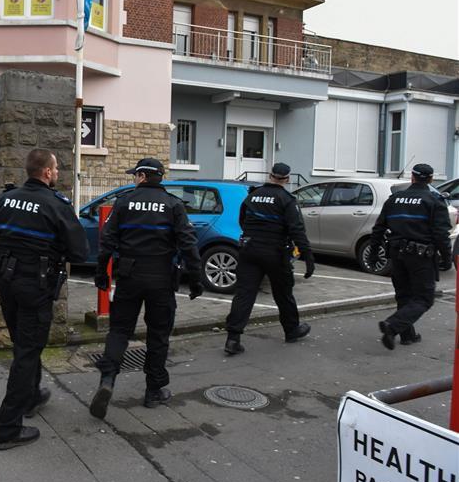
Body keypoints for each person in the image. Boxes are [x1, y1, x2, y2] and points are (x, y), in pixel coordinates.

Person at [0, 149, 88, 450]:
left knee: (25, 345)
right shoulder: (56, 204)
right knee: (27, 350)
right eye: (57, 168)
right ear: (47, 172)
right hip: (36, 285)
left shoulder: (4, 199)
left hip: (8, 282)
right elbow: (79, 252)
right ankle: (8, 427)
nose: (58, 172)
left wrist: (0, 253)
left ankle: (31, 396)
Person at [88, 158, 203, 420]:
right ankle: (153, 391)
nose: (133, 179)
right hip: (161, 277)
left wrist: (101, 274)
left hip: (129, 275)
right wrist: (195, 279)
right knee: (158, 334)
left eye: (134, 175)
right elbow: (188, 243)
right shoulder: (174, 205)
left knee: (119, 330)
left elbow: (107, 241)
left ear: (142, 176)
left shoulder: (124, 202)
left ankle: (108, 379)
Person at [224, 162, 314, 355]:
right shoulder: (287, 199)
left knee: (244, 294)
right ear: (287, 179)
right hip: (275, 252)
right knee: (283, 293)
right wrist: (308, 257)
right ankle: (291, 330)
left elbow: (242, 220)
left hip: (249, 250)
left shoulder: (252, 195)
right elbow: (297, 229)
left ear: (270, 176)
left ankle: (233, 338)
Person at [369, 163, 452, 349]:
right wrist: (447, 258)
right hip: (420, 256)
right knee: (424, 298)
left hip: (396, 254)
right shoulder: (434, 200)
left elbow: (378, 228)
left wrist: (374, 253)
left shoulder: (394, 199)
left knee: (404, 295)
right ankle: (393, 326)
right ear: (431, 179)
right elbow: (441, 234)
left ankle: (407, 335)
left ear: (412, 177)